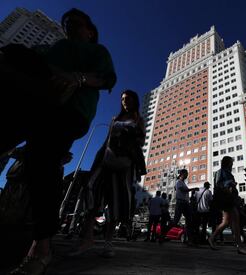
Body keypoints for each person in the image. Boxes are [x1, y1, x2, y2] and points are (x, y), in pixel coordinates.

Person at [4, 9, 116, 275]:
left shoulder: (97, 52)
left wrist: (77, 78)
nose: (70, 26)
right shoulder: (57, 47)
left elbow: (107, 79)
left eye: (77, 23)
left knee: (41, 159)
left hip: (71, 111)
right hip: (35, 103)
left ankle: (41, 247)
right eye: (67, 24)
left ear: (90, 30)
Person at [71, 89, 146, 258]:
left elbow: (141, 141)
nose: (125, 101)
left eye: (128, 98)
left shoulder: (138, 120)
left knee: (115, 202)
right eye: (122, 99)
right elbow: (107, 141)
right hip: (105, 161)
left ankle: (108, 243)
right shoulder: (115, 119)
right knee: (92, 191)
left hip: (123, 165)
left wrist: (129, 135)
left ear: (135, 101)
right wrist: (97, 159)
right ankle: (87, 239)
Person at [208, 156, 246, 255]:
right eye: (231, 163)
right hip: (226, 199)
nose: (232, 164)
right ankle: (240, 246)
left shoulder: (227, 172)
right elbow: (219, 184)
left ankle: (211, 238)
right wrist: (230, 184)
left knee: (226, 222)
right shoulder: (221, 171)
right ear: (227, 163)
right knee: (235, 219)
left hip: (228, 198)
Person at [172, 169, 198, 245]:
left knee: (189, 220)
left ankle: (190, 240)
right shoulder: (178, 182)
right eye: (186, 173)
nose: (187, 175)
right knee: (176, 221)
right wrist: (193, 189)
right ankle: (163, 234)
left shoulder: (183, 183)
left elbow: (185, 191)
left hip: (185, 203)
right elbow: (183, 190)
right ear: (182, 174)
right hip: (180, 203)